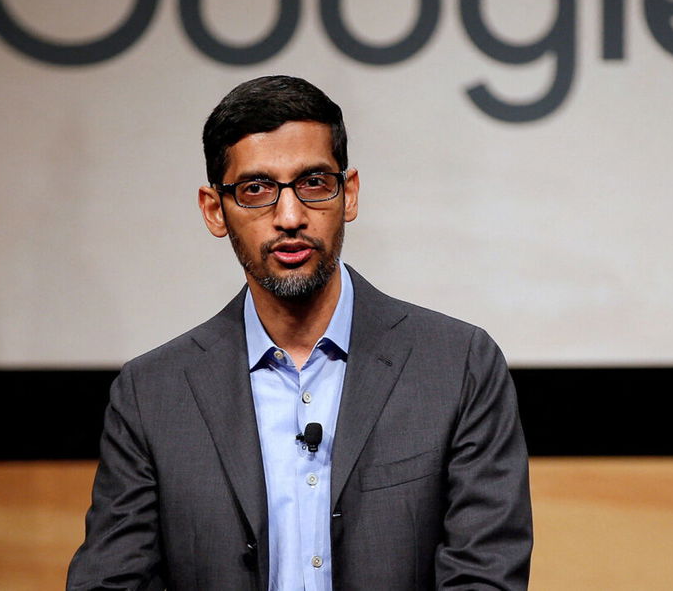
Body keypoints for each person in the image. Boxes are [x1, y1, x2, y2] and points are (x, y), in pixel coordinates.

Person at [67, 75, 532, 590]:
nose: (289, 217)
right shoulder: (152, 394)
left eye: (313, 183)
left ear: (348, 194)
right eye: (257, 189)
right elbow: (110, 582)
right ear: (214, 209)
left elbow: (485, 575)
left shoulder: (456, 365)